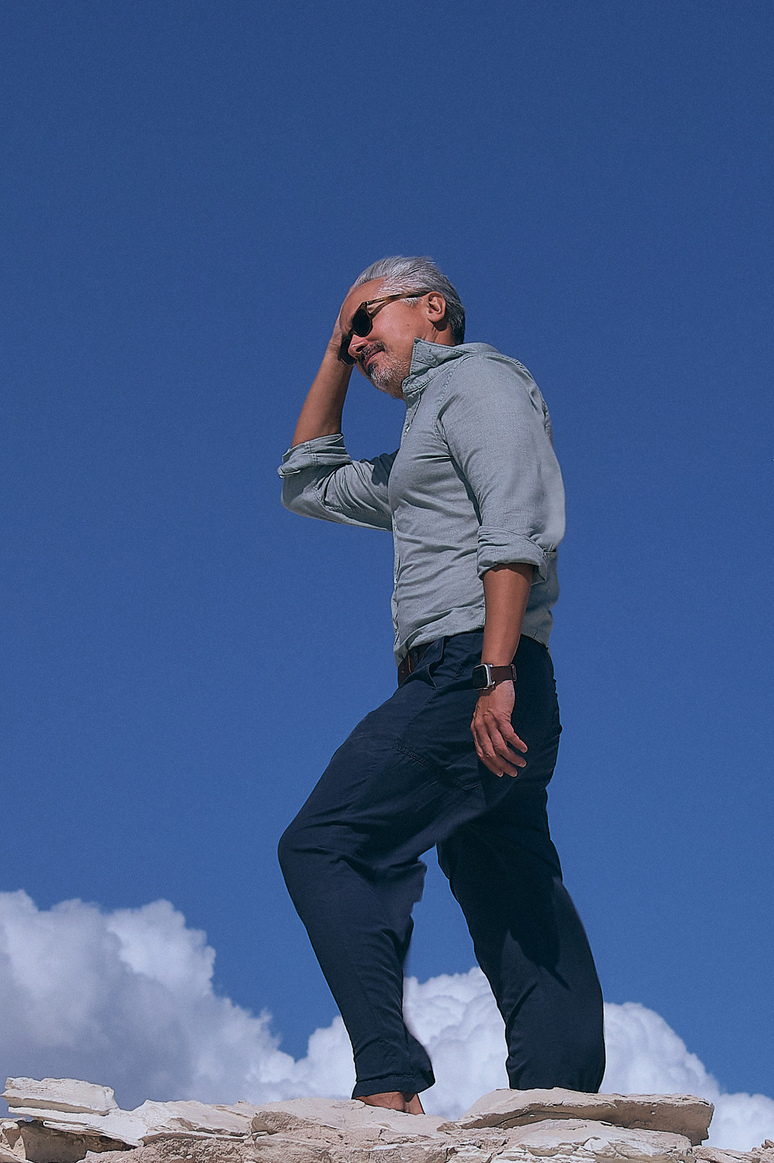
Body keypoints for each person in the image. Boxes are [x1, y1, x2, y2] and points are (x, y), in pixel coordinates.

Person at [277, 256, 605, 1114]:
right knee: (511, 888)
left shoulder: (478, 385)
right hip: (492, 679)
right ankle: (561, 1110)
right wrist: (333, 353)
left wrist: (493, 673)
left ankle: (388, 1083)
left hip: (477, 671)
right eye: (346, 331)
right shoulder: (421, 448)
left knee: (323, 842)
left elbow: (514, 526)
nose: (356, 342)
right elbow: (307, 481)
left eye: (366, 320)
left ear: (433, 309)